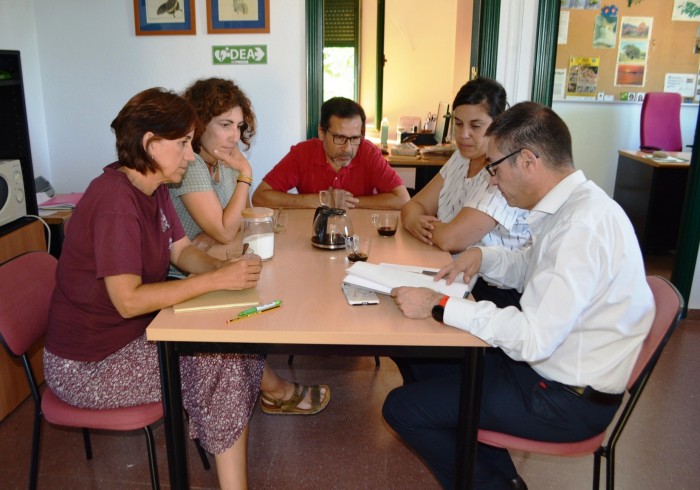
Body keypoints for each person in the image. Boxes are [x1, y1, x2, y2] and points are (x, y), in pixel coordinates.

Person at [384, 102, 656, 490]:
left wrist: (440, 305)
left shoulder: (581, 226)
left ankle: (491, 485)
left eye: (494, 167)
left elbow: (532, 338)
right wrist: (483, 256)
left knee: (402, 408)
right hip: (552, 369)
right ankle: (501, 478)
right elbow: (532, 264)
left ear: (528, 160)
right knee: (422, 360)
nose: (492, 180)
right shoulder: (573, 207)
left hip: (564, 398)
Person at [44, 88, 264, 489]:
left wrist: (224, 268)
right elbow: (128, 301)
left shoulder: (155, 187)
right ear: (149, 143)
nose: (191, 154)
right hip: (88, 367)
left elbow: (181, 252)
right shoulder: (115, 201)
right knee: (225, 361)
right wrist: (215, 281)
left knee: (243, 349)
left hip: (131, 340)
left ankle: (219, 443)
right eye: (182, 143)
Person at [169, 77, 330, 415]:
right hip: (181, 278)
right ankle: (275, 389)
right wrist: (244, 171)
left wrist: (217, 231)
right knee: (250, 309)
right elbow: (230, 230)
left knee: (272, 291)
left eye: (238, 125)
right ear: (199, 124)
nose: (233, 135)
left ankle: (259, 384)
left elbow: (236, 221)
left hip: (214, 261)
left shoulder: (219, 162)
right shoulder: (194, 165)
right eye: (224, 124)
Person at [401, 77, 530, 257]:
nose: (463, 135)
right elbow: (414, 205)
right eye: (459, 124)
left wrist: (417, 224)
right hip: (444, 263)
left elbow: (451, 239)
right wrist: (413, 219)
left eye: (475, 126)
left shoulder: (503, 172)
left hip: (485, 280)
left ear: (498, 124)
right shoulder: (460, 158)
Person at [251, 97, 410, 209]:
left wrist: (348, 202)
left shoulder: (368, 152)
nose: (348, 148)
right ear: (321, 132)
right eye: (339, 138)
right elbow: (260, 197)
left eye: (354, 138)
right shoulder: (302, 153)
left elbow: (403, 199)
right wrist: (318, 200)